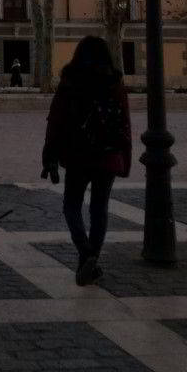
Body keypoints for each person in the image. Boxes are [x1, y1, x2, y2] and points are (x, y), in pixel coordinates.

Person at [41, 35, 132, 287]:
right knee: (99, 209)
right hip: (108, 155)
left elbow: (55, 120)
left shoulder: (70, 82)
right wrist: (125, 158)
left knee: (71, 205)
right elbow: (124, 122)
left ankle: (86, 254)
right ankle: (90, 260)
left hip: (78, 154)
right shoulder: (115, 83)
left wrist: (49, 154)